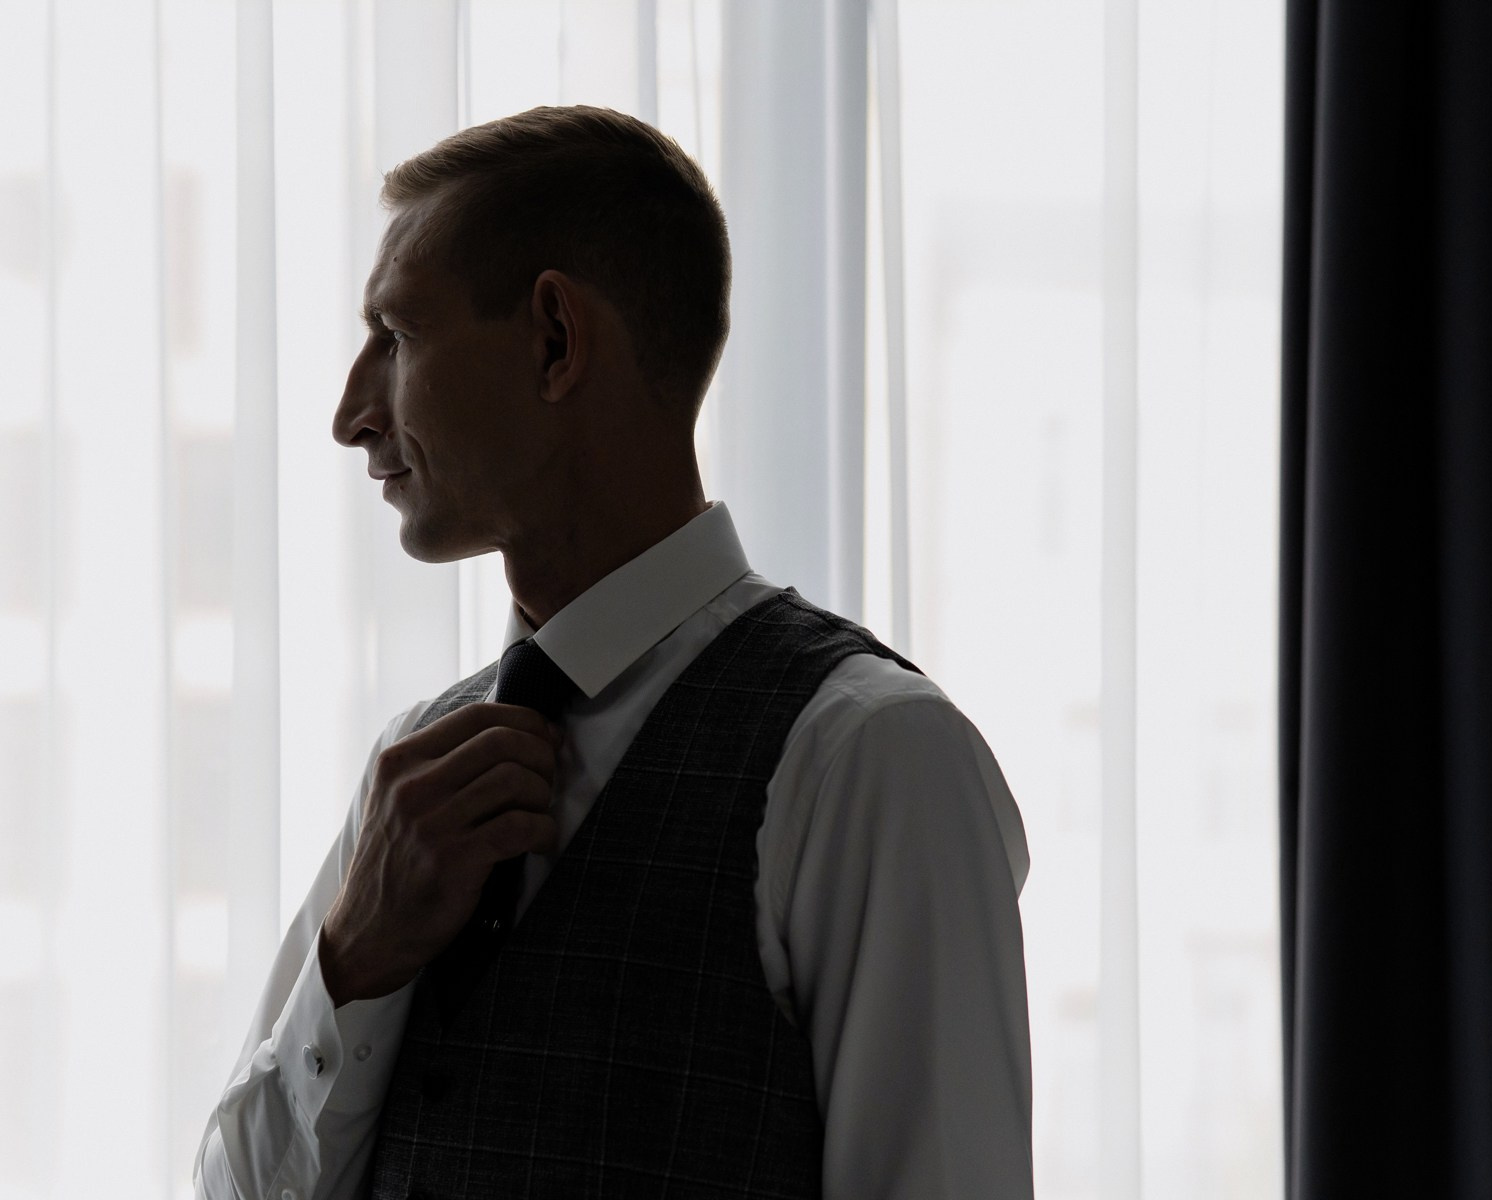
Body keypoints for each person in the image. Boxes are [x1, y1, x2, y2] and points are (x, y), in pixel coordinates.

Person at [189, 105, 1033, 1198]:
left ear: (555, 340)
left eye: (395, 336)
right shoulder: (416, 766)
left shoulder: (873, 758)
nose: (353, 413)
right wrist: (351, 961)